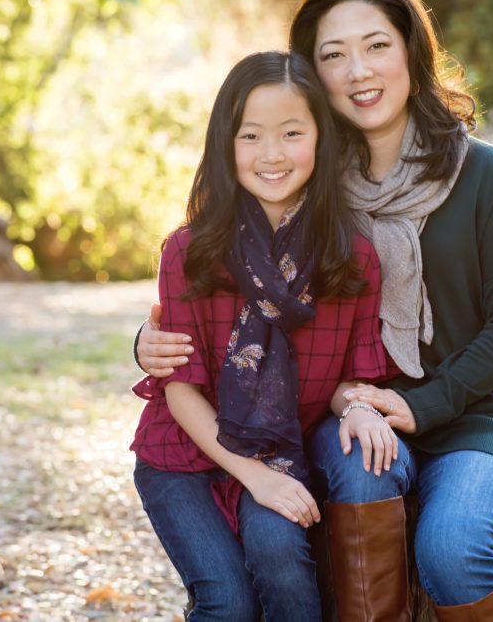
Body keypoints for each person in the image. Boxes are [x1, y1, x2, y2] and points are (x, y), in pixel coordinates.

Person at [136, 0, 493, 621]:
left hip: (470, 417)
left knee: (452, 551)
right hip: (338, 410)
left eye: (376, 45)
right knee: (356, 464)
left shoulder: (482, 172)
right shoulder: (307, 178)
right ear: (311, 74)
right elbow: (223, 282)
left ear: (411, 50)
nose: (359, 71)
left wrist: (421, 405)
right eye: (333, 54)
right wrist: (147, 342)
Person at [130, 50, 399, 622]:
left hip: (281, 448)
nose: (271, 155)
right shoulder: (190, 252)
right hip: (184, 456)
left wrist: (357, 407)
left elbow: (349, 375)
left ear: (321, 140)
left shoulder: (351, 259)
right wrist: (254, 478)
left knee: (280, 553)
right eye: (251, 136)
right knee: (228, 603)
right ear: (226, 145)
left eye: (292, 133)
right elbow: (180, 391)